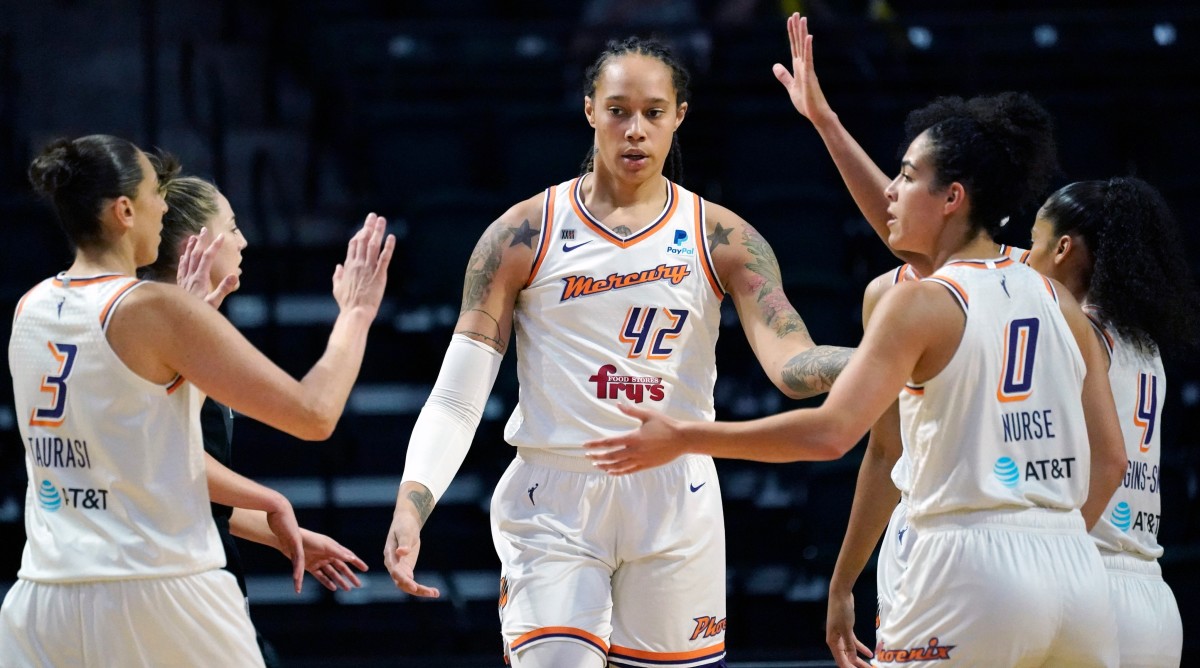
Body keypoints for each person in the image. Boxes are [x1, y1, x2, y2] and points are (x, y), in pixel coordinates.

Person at [585, 89, 1129, 665]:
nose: (890, 190)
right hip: (1077, 574)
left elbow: (829, 434)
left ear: (952, 197)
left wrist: (685, 436)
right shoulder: (1057, 298)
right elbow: (1110, 456)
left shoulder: (917, 304)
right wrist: (827, 123)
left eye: (906, 175)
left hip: (969, 567)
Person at [384, 37, 852, 668]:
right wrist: (415, 503)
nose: (635, 130)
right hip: (554, 493)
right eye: (618, 110)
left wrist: (880, 358)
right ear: (589, 111)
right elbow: (458, 393)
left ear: (680, 116)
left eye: (654, 112)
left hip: (675, 493)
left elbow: (794, 367)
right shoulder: (522, 233)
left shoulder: (724, 237)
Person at [2, 134, 393, 666]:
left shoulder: (31, 307)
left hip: (42, 599)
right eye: (152, 194)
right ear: (123, 211)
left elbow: (135, 453)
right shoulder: (153, 309)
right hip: (156, 589)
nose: (164, 204)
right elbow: (314, 414)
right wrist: (355, 314)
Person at [141, 175, 371, 665]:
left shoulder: (181, 321)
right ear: (195, 244)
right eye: (233, 226)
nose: (245, 240)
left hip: (182, 569)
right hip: (173, 580)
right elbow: (314, 416)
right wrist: (356, 314)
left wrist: (281, 531)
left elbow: (186, 477)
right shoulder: (157, 329)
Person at [1026, 177, 1197, 667]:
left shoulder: (1073, 332)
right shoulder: (1144, 345)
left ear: (1062, 248)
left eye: (1033, 243)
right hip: (1152, 595)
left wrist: (1055, 564)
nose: (1025, 261)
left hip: (1091, 583)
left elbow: (1111, 461)